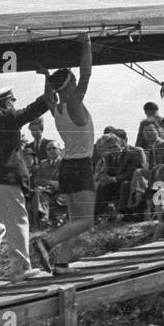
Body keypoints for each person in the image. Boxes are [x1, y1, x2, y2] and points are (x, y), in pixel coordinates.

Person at [0, 80, 56, 282]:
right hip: (5, 180)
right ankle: (21, 269)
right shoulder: (9, 116)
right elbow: (39, 106)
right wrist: (49, 81)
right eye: (13, 102)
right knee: (18, 223)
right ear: (8, 102)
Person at [32, 33, 96, 270]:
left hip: (67, 167)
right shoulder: (74, 103)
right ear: (70, 84)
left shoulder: (57, 108)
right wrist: (86, 45)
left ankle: (61, 264)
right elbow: (87, 73)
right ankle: (47, 244)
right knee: (86, 221)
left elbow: (49, 94)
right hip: (81, 166)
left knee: (74, 221)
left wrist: (47, 75)